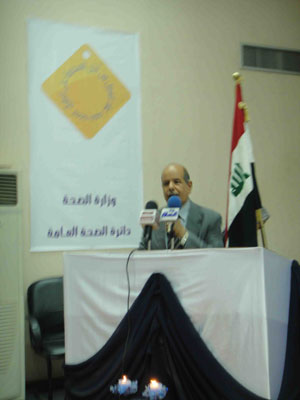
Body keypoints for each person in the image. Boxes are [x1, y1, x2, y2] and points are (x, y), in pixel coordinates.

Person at [139, 163, 224, 249]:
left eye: (176, 182)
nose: (171, 187)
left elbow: (216, 256)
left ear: (189, 186)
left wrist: (184, 235)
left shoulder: (211, 219)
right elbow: (142, 254)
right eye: (166, 183)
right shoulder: (154, 220)